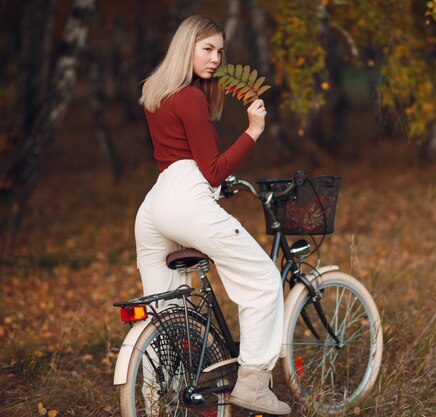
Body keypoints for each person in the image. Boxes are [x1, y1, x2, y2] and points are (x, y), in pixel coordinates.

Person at [135, 15, 291, 415]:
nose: (216, 59)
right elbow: (213, 171)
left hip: (154, 207)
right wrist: (253, 130)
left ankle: (154, 402)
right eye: (207, 49)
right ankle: (254, 384)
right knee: (262, 282)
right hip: (187, 200)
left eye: (220, 51)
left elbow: (182, 161)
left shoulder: (155, 91)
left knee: (164, 310)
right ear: (186, 46)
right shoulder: (190, 97)